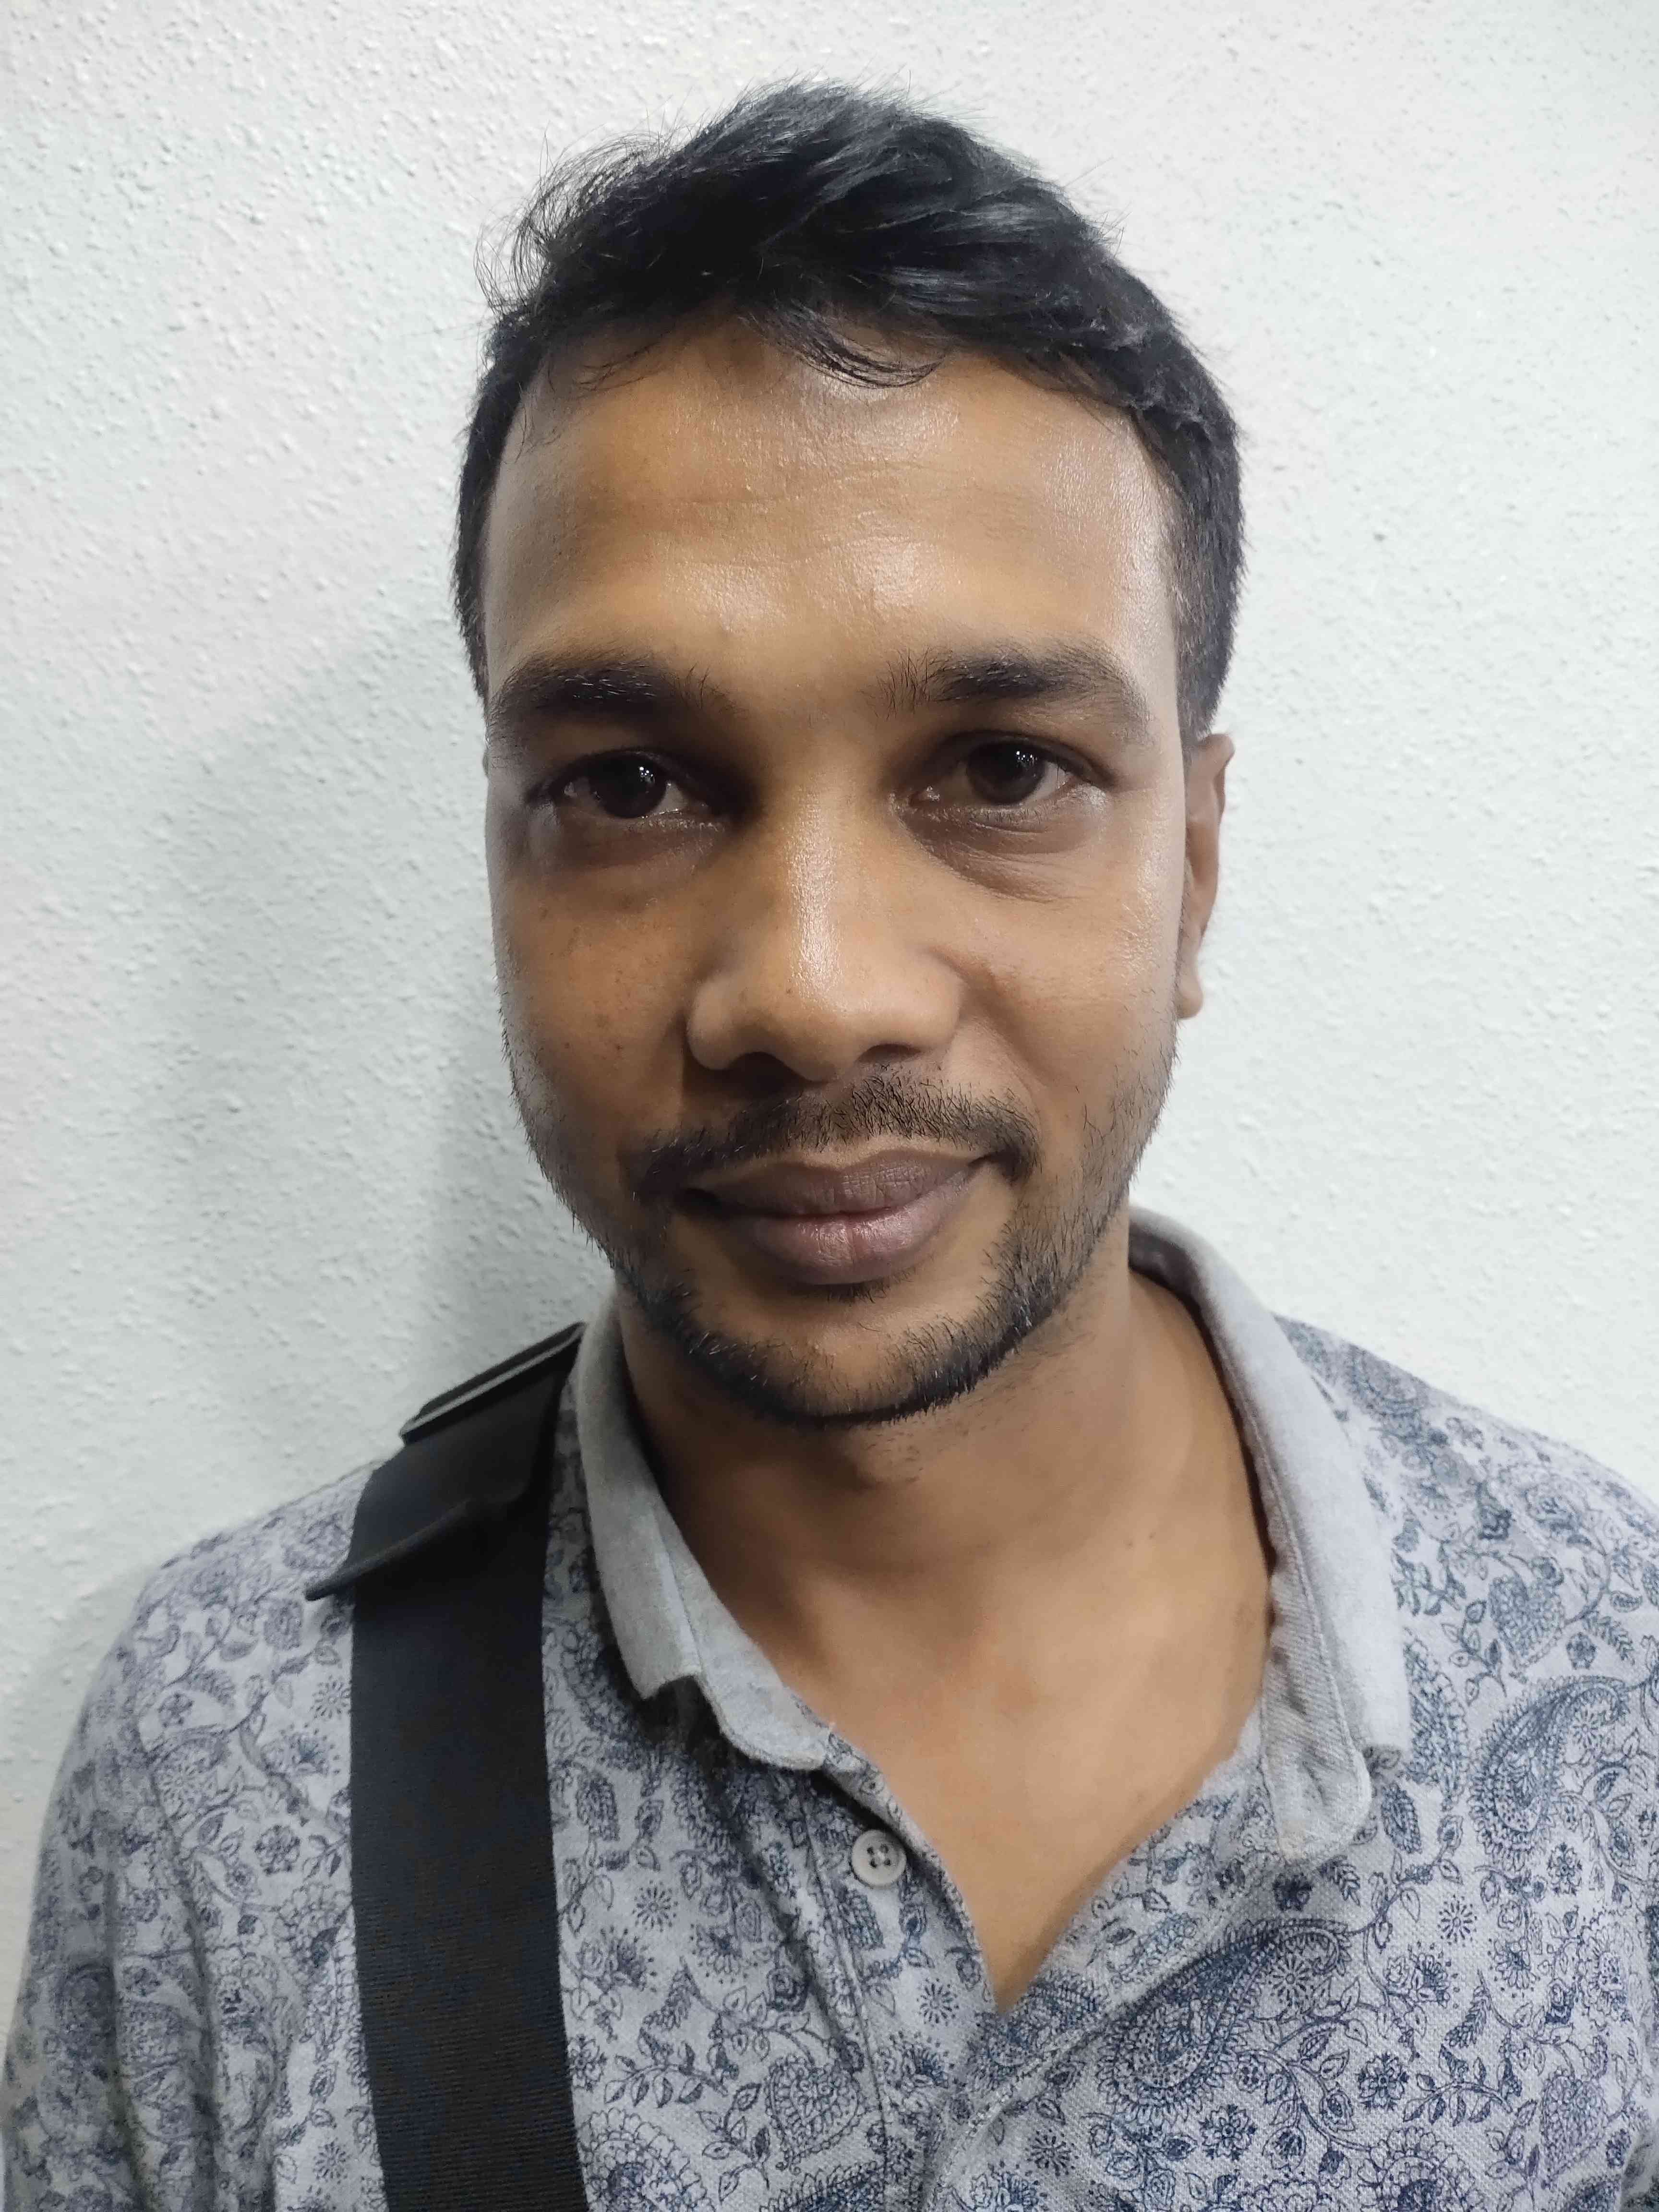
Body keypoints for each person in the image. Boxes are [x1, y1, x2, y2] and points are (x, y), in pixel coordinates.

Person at [4, 76, 1653, 2212]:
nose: (808, 990)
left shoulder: (1610, 1678)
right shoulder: (225, 1759)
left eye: (1000, 768)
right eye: (628, 785)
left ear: (1196, 871)